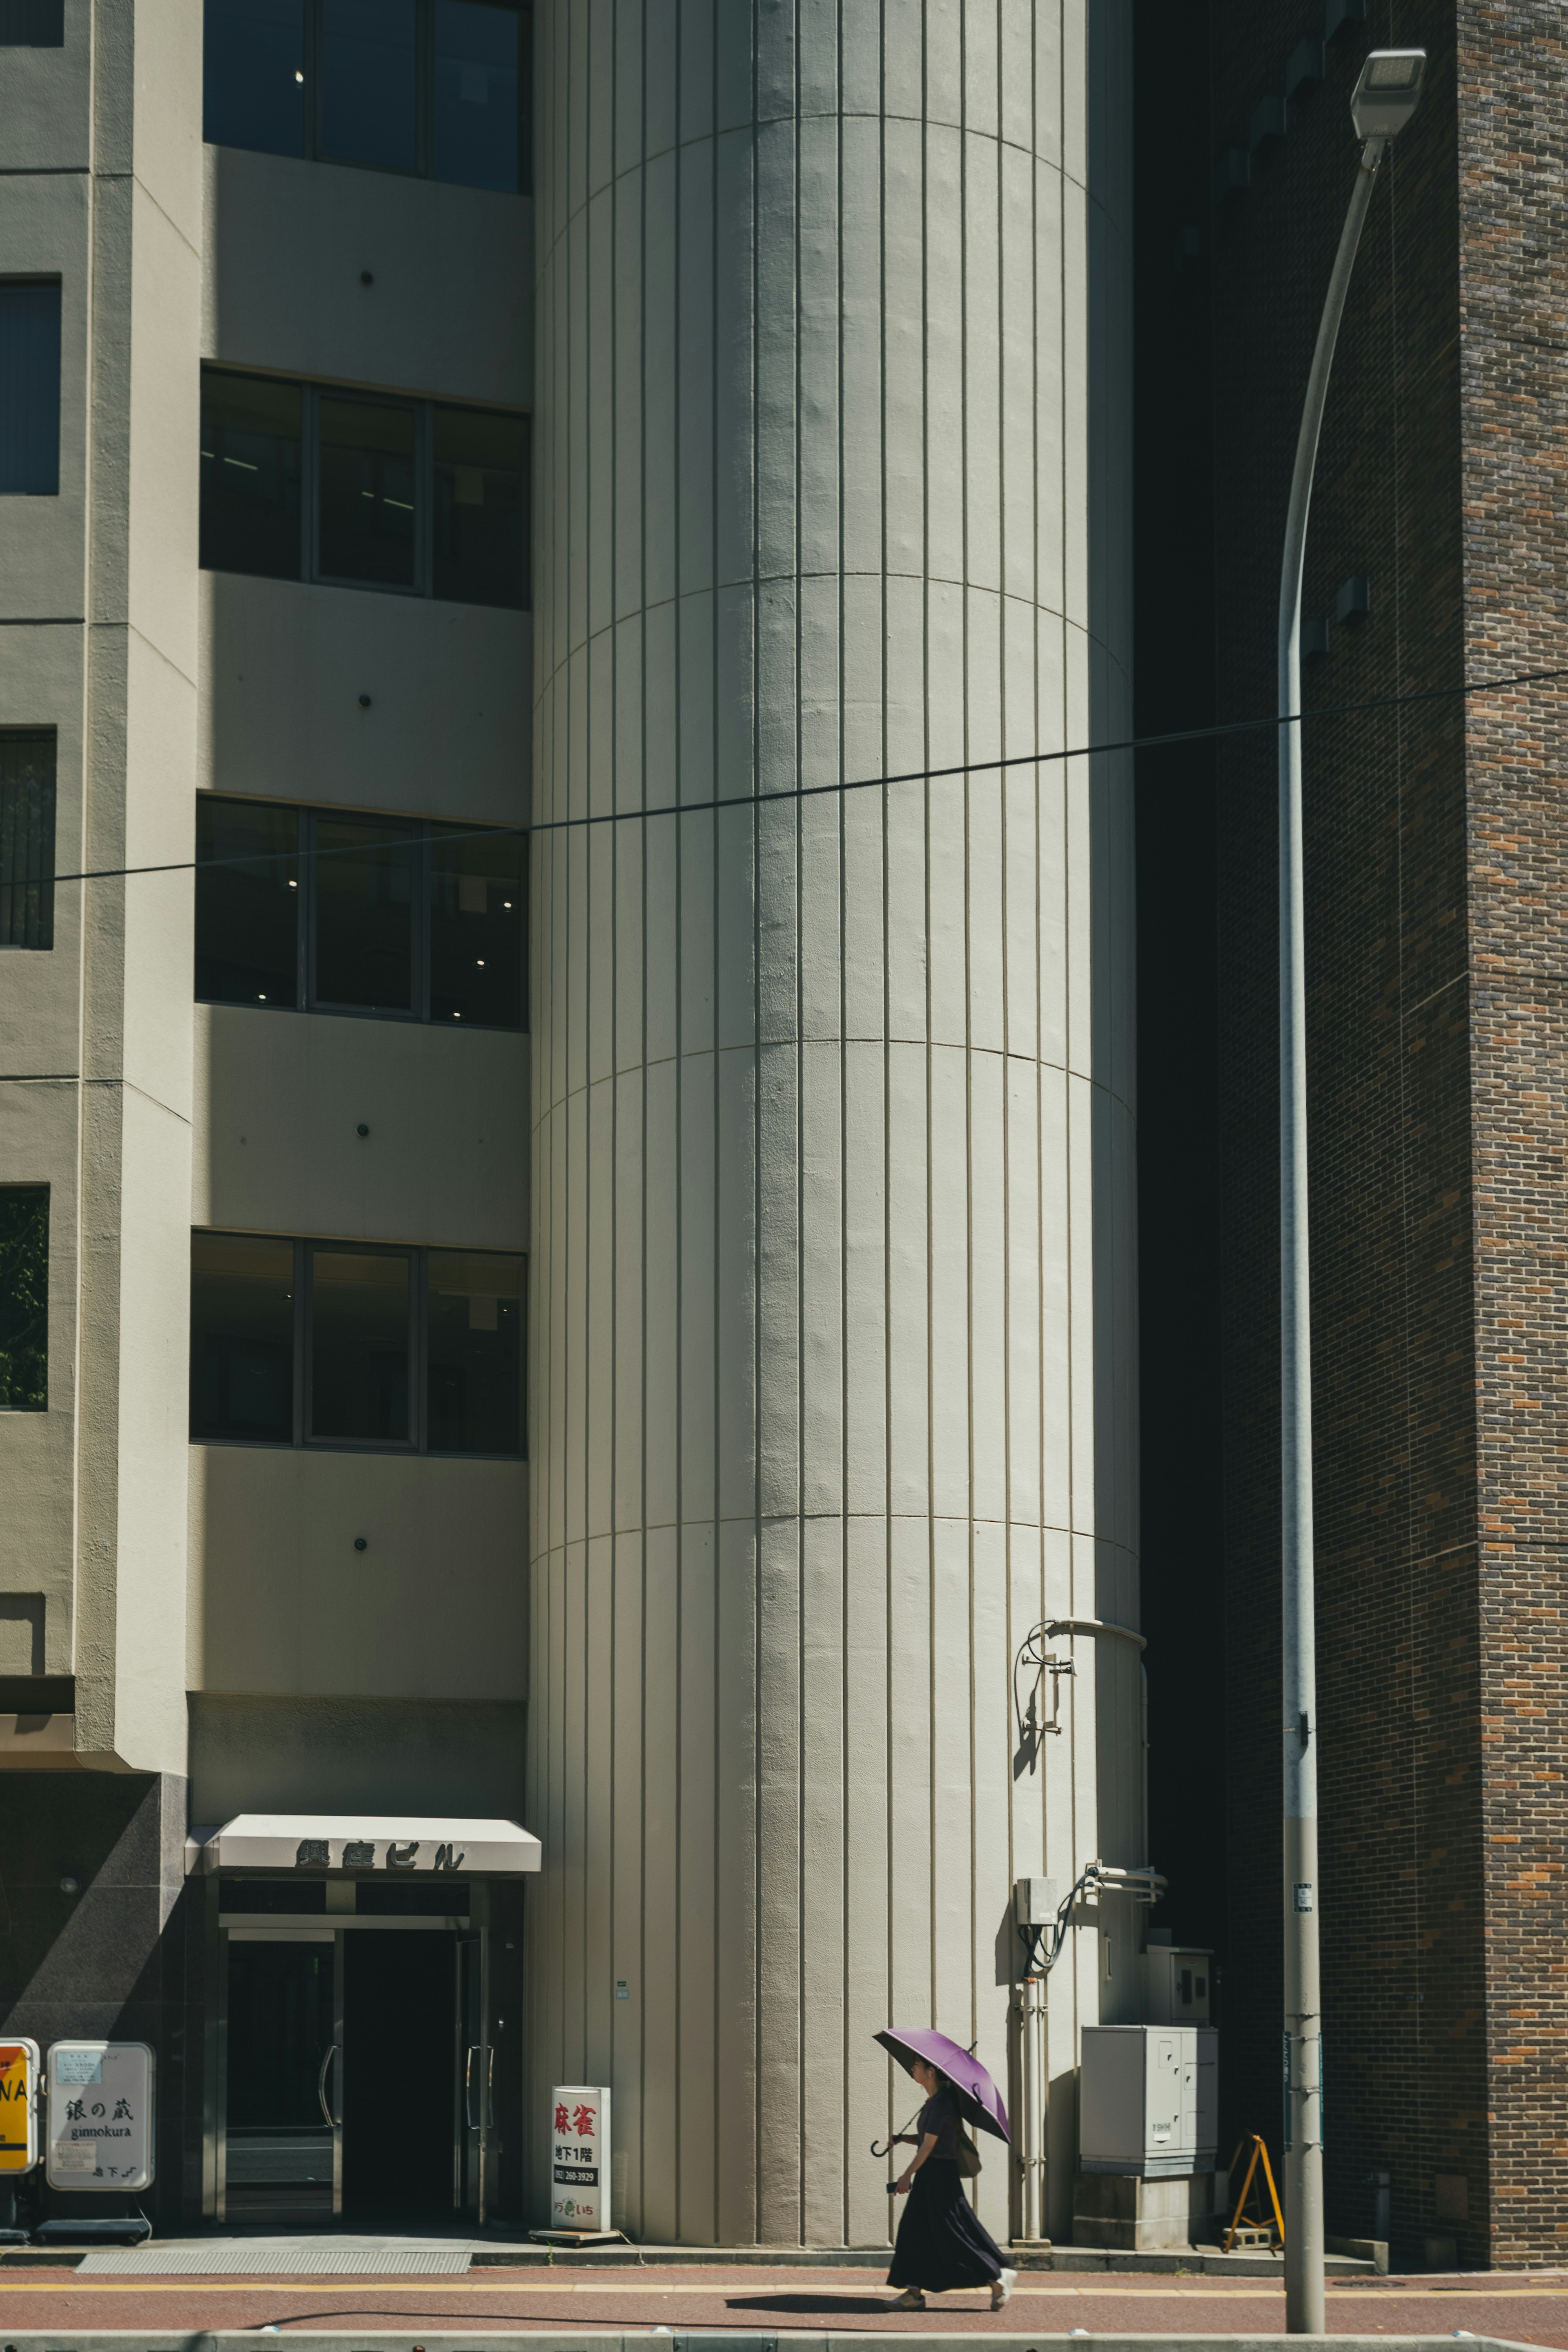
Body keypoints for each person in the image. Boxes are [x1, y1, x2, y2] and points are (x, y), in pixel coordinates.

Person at [886, 2055, 1017, 2312]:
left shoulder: (943, 2102)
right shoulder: (934, 2102)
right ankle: (914, 2292)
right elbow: (927, 2139)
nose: (912, 2068)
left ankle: (996, 2276)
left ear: (931, 2071)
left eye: (917, 2065)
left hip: (938, 2176)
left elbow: (929, 2146)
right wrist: (902, 2138)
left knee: (949, 2233)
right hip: (934, 2175)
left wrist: (907, 2175)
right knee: (919, 2232)